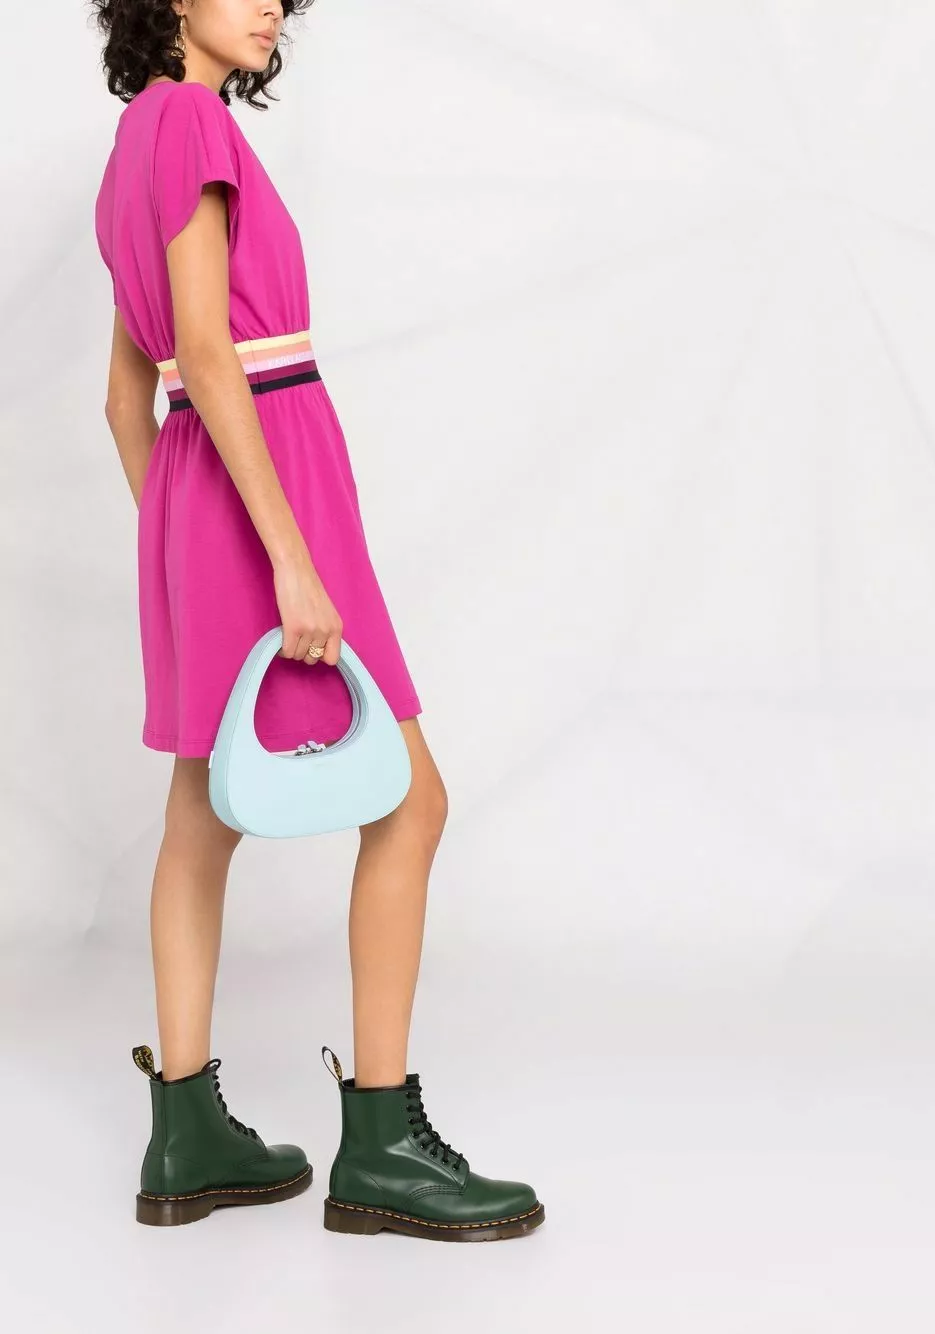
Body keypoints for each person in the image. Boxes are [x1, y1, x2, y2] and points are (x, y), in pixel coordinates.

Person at [91, 0, 544, 1243]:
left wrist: (180, 541)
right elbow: (206, 349)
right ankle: (382, 1144)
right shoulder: (192, 124)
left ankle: (184, 1138)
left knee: (201, 807)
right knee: (411, 798)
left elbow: (127, 399)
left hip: (202, 493)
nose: (273, 7)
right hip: (270, 477)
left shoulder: (134, 140)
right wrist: (283, 555)